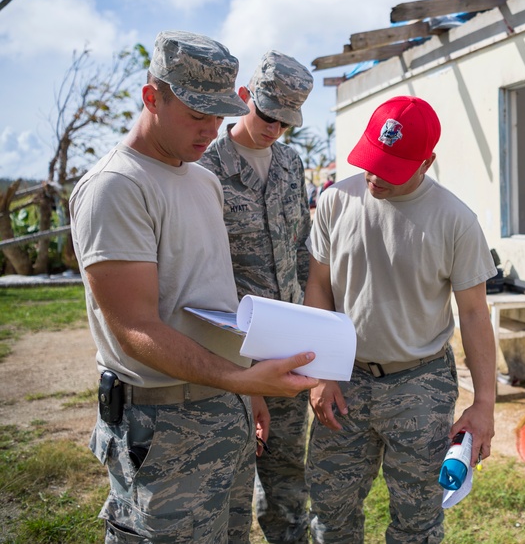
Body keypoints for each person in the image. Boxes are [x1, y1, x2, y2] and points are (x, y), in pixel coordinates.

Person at [70, 30, 319, 543]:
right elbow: (134, 329)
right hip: (161, 423)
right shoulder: (115, 187)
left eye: (218, 114)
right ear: (151, 97)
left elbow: (216, 297)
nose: (210, 129)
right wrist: (241, 381)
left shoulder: (199, 178)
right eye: (195, 113)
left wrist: (243, 392)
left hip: (223, 409)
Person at [305, 95, 497, 543]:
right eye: (371, 159)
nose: (374, 176)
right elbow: (318, 286)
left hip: (420, 386)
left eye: (391, 168)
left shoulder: (456, 221)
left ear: (427, 161)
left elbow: (473, 313)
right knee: (330, 511)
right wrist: (321, 372)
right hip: (343, 378)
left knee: (418, 520)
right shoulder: (336, 201)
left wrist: (484, 402)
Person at [200, 50, 314, 543]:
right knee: (229, 485)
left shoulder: (291, 164)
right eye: (268, 116)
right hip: (226, 352)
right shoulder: (205, 167)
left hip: (287, 347)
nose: (274, 130)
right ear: (244, 97)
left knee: (289, 478)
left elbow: (304, 250)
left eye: (286, 122)